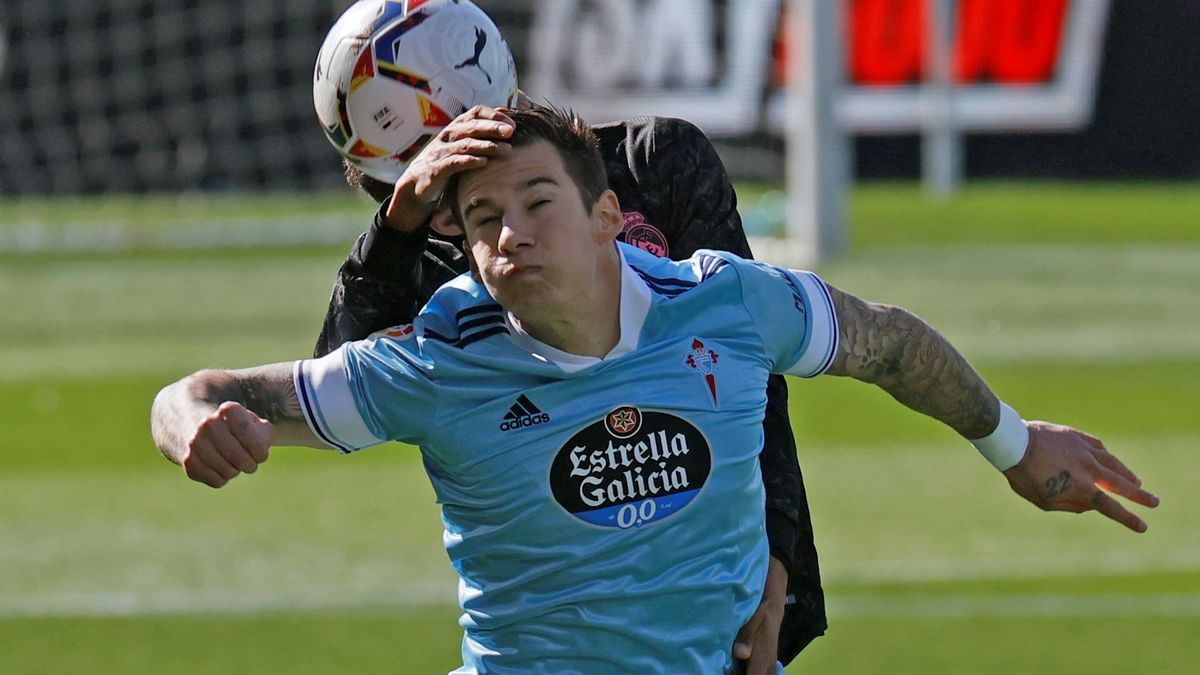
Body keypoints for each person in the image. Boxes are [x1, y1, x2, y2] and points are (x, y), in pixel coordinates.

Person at [152, 104, 1158, 674]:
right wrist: (194, 420)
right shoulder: (438, 361)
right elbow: (197, 388)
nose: (512, 233)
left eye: (538, 201)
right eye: (485, 218)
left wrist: (1016, 447)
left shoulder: (725, 304)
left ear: (604, 216)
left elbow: (889, 345)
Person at [312, 1, 819, 669]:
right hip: (558, 621)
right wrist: (397, 225)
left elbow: (756, 369)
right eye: (401, 187)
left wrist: (781, 561)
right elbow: (336, 382)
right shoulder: (417, 253)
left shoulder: (654, 162)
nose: (498, 232)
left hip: (705, 596)